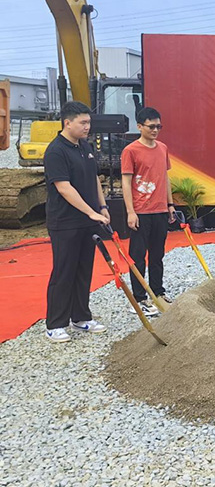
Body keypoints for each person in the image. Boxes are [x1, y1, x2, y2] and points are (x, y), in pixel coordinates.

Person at [43, 101, 110, 343]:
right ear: (67, 122)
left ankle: (81, 317)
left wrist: (101, 206)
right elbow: (64, 188)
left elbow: (93, 178)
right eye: (82, 123)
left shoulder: (84, 146)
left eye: (88, 122)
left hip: (88, 221)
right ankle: (55, 323)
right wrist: (90, 212)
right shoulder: (56, 151)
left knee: (84, 270)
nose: (87, 127)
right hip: (65, 222)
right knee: (64, 271)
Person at [121, 107, 175, 317]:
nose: (155, 130)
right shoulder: (131, 151)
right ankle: (139, 298)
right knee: (137, 255)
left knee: (157, 254)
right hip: (141, 211)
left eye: (158, 126)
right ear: (139, 126)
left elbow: (165, 177)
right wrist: (130, 211)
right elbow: (126, 181)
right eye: (151, 126)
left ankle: (157, 292)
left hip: (160, 210)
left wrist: (170, 205)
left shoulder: (162, 148)